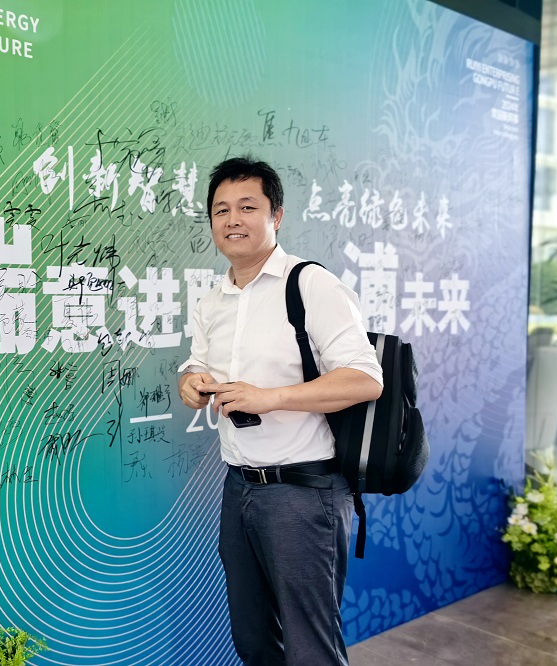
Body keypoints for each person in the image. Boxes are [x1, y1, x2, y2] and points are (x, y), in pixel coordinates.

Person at [177, 155, 383, 665]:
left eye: (248, 207)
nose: (233, 219)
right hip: (239, 488)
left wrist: (271, 397)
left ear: (277, 216)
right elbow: (196, 362)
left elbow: (366, 378)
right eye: (221, 209)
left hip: (304, 493)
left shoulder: (310, 285)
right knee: (253, 640)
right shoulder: (212, 301)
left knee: (311, 648)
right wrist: (191, 381)